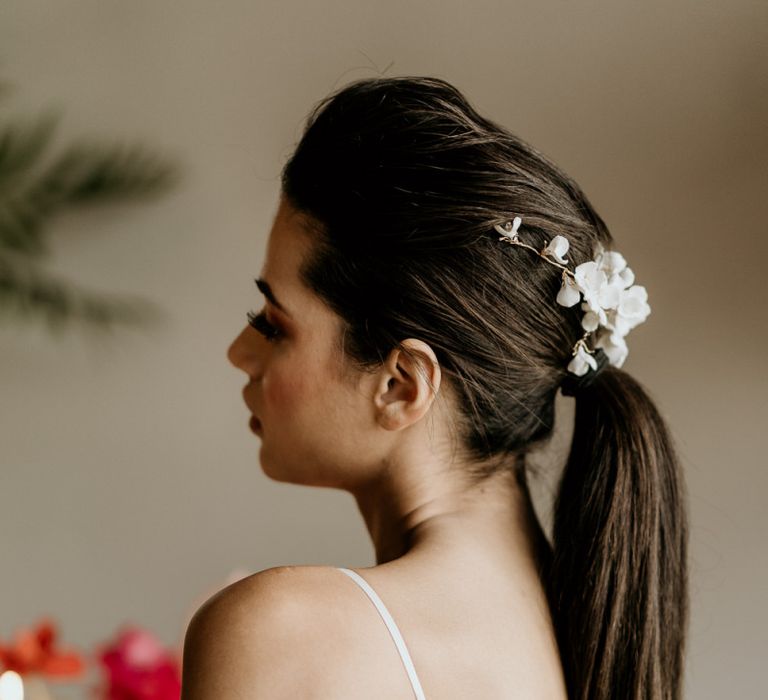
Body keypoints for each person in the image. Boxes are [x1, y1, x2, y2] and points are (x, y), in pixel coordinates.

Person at [181, 76, 688, 699]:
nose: (240, 355)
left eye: (272, 325)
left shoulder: (284, 631)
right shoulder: (595, 636)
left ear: (400, 384)